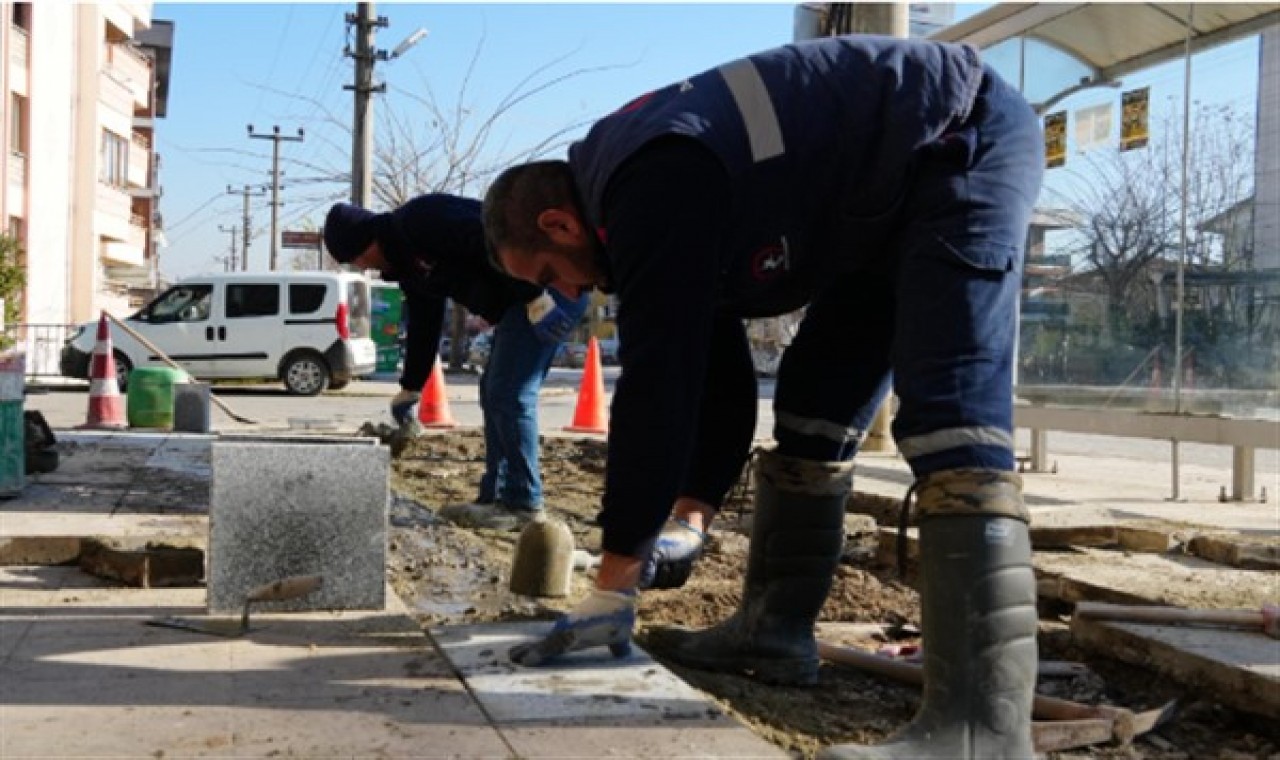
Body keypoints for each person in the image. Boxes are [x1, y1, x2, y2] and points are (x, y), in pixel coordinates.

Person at [483, 33, 1043, 760]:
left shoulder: (649, 183)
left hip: (958, 138)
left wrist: (615, 585)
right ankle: (775, 633)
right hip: (874, 205)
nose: (564, 291)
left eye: (549, 272)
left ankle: (982, 732)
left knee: (952, 407)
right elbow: (711, 372)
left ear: (558, 224)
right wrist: (690, 514)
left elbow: (658, 385)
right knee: (814, 408)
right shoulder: (641, 196)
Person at [324, 194, 588, 527]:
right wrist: (411, 388)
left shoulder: (422, 219)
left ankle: (522, 503)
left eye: (358, 259)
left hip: (551, 287)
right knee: (492, 390)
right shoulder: (409, 265)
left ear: (367, 243)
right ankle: (495, 498)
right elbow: (425, 323)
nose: (364, 268)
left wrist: (534, 296)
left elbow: (493, 239)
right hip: (522, 303)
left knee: (509, 393)